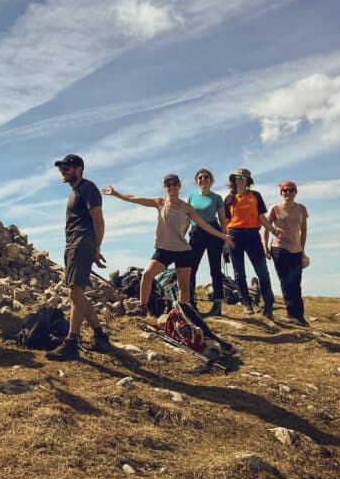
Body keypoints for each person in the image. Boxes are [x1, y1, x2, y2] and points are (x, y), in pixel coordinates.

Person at [102, 174, 234, 326]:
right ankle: (142, 308)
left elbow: (204, 224)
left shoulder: (186, 207)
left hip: (183, 250)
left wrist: (223, 236)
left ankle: (182, 316)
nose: (171, 187)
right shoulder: (160, 202)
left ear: (179, 186)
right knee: (147, 274)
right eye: (168, 184)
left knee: (183, 287)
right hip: (164, 249)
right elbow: (135, 198)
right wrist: (116, 193)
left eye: (174, 184)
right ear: (164, 187)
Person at [45, 154, 112, 362]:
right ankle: (100, 336)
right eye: (61, 168)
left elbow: (98, 220)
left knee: (74, 294)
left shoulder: (88, 188)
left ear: (79, 168)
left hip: (81, 245)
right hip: (74, 245)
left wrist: (96, 247)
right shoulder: (76, 191)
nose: (63, 170)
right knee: (79, 293)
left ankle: (71, 342)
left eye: (67, 167)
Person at [224, 168, 278, 319]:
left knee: (262, 271)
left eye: (242, 178)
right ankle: (246, 303)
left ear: (248, 181)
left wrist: (274, 231)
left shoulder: (255, 196)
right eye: (237, 178)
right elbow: (226, 222)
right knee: (239, 272)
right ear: (233, 180)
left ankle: (268, 305)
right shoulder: (229, 199)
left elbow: (262, 217)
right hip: (234, 235)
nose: (239, 180)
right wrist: (224, 240)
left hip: (253, 235)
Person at [264, 181, 310, 326]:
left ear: (296, 192)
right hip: (279, 248)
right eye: (285, 190)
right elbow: (266, 226)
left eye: (291, 190)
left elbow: (304, 230)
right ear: (281, 192)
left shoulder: (302, 209)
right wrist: (264, 246)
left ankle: (300, 316)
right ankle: (291, 315)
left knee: (296, 283)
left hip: (296, 250)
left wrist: (303, 250)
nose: (288, 193)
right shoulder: (275, 208)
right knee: (286, 281)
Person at [186, 168, 228, 315]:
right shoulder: (191, 197)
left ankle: (217, 304)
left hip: (213, 233)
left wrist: (225, 239)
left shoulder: (217, 198)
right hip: (196, 233)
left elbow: (223, 220)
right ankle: (190, 301)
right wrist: (182, 237)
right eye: (200, 177)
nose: (203, 180)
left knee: (215, 269)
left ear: (211, 181)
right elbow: (187, 219)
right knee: (190, 268)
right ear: (196, 181)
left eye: (206, 177)